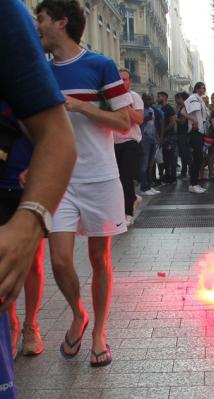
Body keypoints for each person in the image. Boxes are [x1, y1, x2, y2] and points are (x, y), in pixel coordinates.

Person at [36, 0, 133, 368]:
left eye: (40, 19)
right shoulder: (40, 71)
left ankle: (98, 333)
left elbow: (124, 122)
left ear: (61, 22)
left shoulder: (101, 65)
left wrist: (79, 106)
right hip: (59, 179)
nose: (36, 27)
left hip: (100, 177)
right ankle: (79, 313)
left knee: (99, 258)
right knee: (59, 261)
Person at [0, 3, 76, 384]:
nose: (39, 24)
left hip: (19, 185)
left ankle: (28, 324)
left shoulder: (7, 16)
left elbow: (53, 134)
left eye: (43, 19)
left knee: (30, 261)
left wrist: (31, 217)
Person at [114, 69, 143, 226]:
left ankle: (128, 214)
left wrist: (124, 104)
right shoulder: (109, 98)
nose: (122, 82)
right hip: (112, 143)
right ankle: (132, 199)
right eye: (118, 80)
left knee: (126, 178)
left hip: (130, 142)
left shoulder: (134, 97)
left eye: (125, 79)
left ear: (130, 81)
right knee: (116, 180)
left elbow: (139, 119)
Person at [140, 93, 159, 196]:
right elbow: (137, 124)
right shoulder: (140, 110)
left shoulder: (152, 110)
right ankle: (144, 187)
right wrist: (145, 119)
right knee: (144, 164)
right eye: (146, 99)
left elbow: (153, 126)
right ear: (142, 100)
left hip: (152, 139)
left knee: (150, 165)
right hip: (144, 139)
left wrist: (157, 137)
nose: (148, 101)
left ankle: (149, 186)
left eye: (150, 99)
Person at [156, 91, 177, 184]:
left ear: (164, 97)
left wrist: (164, 130)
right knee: (165, 157)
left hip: (169, 137)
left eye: (159, 96)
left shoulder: (169, 108)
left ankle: (172, 177)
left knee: (171, 157)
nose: (157, 98)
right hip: (162, 137)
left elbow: (172, 122)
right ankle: (167, 176)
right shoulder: (159, 108)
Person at [175, 92, 191, 180]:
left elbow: (182, 121)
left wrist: (174, 118)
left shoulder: (185, 108)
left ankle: (191, 172)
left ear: (181, 98)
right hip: (181, 134)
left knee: (186, 154)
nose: (176, 100)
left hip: (184, 134)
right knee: (183, 154)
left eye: (177, 98)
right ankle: (184, 172)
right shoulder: (182, 107)